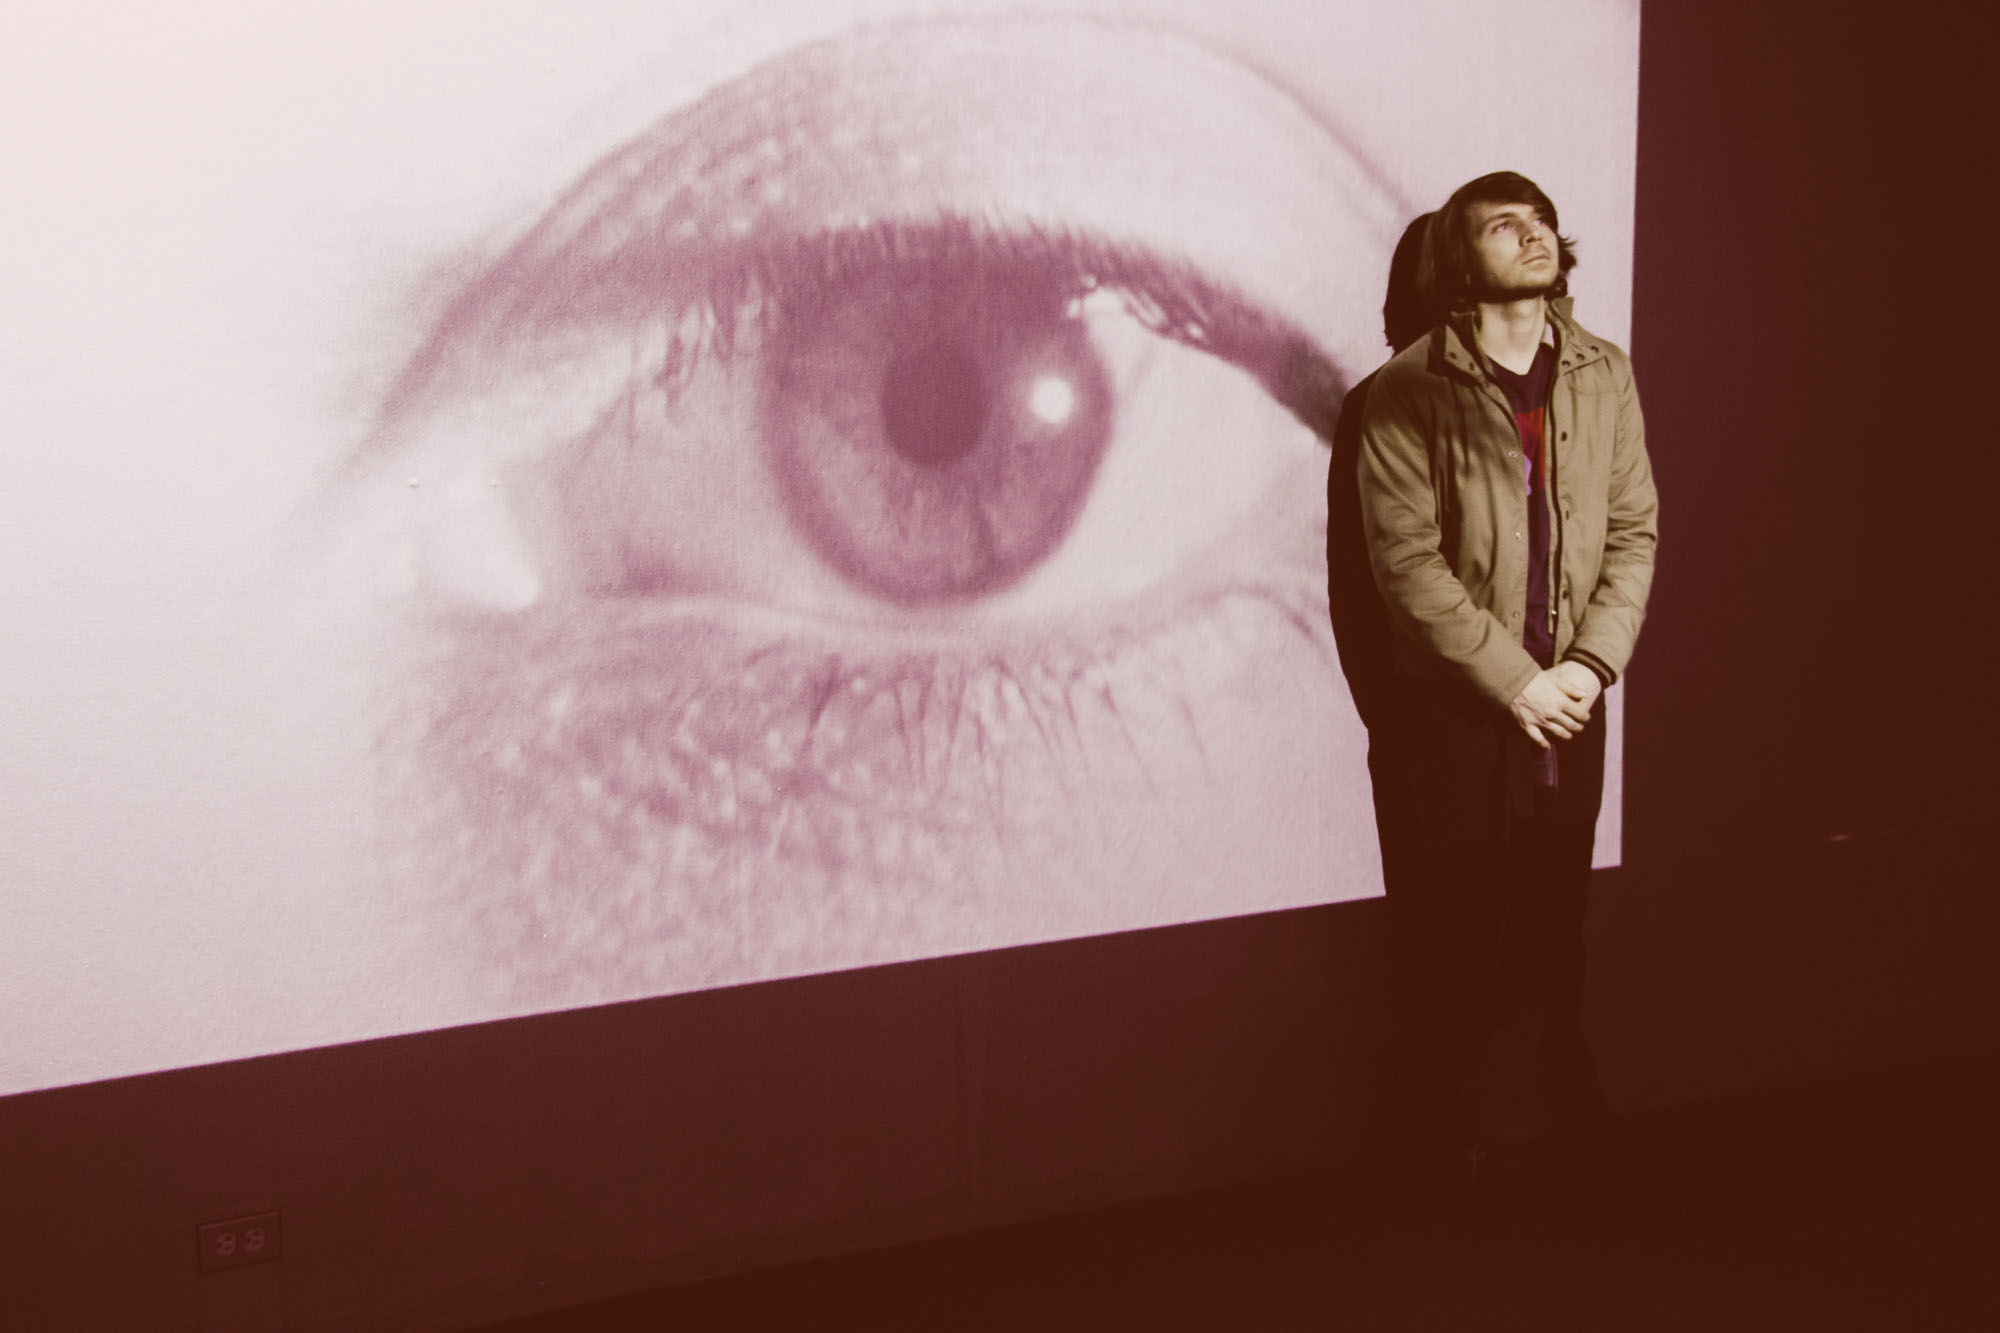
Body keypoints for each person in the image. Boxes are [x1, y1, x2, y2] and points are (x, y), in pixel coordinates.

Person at [1354, 171, 1658, 1200]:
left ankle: (1552, 1136)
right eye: (1501, 223)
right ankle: (1446, 1153)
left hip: (1573, 703)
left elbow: (1631, 531)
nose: (1532, 234)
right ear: (1456, 257)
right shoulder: (1400, 392)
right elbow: (1406, 569)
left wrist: (1584, 667)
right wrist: (1513, 685)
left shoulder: (1602, 373)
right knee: (1451, 931)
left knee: (1549, 924)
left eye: (1539, 219)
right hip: (1455, 717)